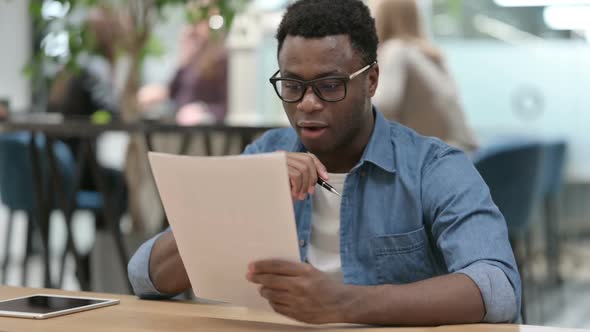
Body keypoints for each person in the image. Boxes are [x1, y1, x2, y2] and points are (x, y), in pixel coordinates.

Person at [128, 0, 520, 325]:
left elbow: (497, 286)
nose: (307, 104)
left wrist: (344, 303)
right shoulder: (265, 156)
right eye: (293, 86)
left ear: (371, 81)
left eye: (329, 85)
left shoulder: (433, 167)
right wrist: (245, 194)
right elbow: (144, 274)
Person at [370, 0, 478, 153]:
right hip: (461, 155)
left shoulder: (396, 50)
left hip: (437, 162)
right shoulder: (429, 55)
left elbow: (382, 106)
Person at [137, 20, 228, 125]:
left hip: (204, 128)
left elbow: (227, 106)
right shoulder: (191, 58)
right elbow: (173, 89)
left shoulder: (221, 58)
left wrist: (203, 110)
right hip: (180, 123)